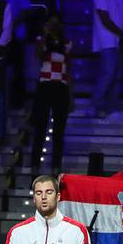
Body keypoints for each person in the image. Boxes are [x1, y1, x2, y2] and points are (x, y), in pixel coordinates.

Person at [32, 14, 73, 172]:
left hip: (61, 88)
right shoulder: (41, 40)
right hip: (44, 86)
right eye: (50, 22)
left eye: (56, 23)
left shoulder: (67, 43)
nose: (53, 25)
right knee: (40, 128)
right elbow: (38, 54)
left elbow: (69, 69)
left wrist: (71, 95)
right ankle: (35, 165)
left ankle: (56, 166)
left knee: (59, 130)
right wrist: (45, 34)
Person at [92, 0, 123, 120]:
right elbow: (104, 18)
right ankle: (95, 106)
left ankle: (112, 108)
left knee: (116, 75)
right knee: (107, 74)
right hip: (107, 41)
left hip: (118, 43)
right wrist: (121, 33)